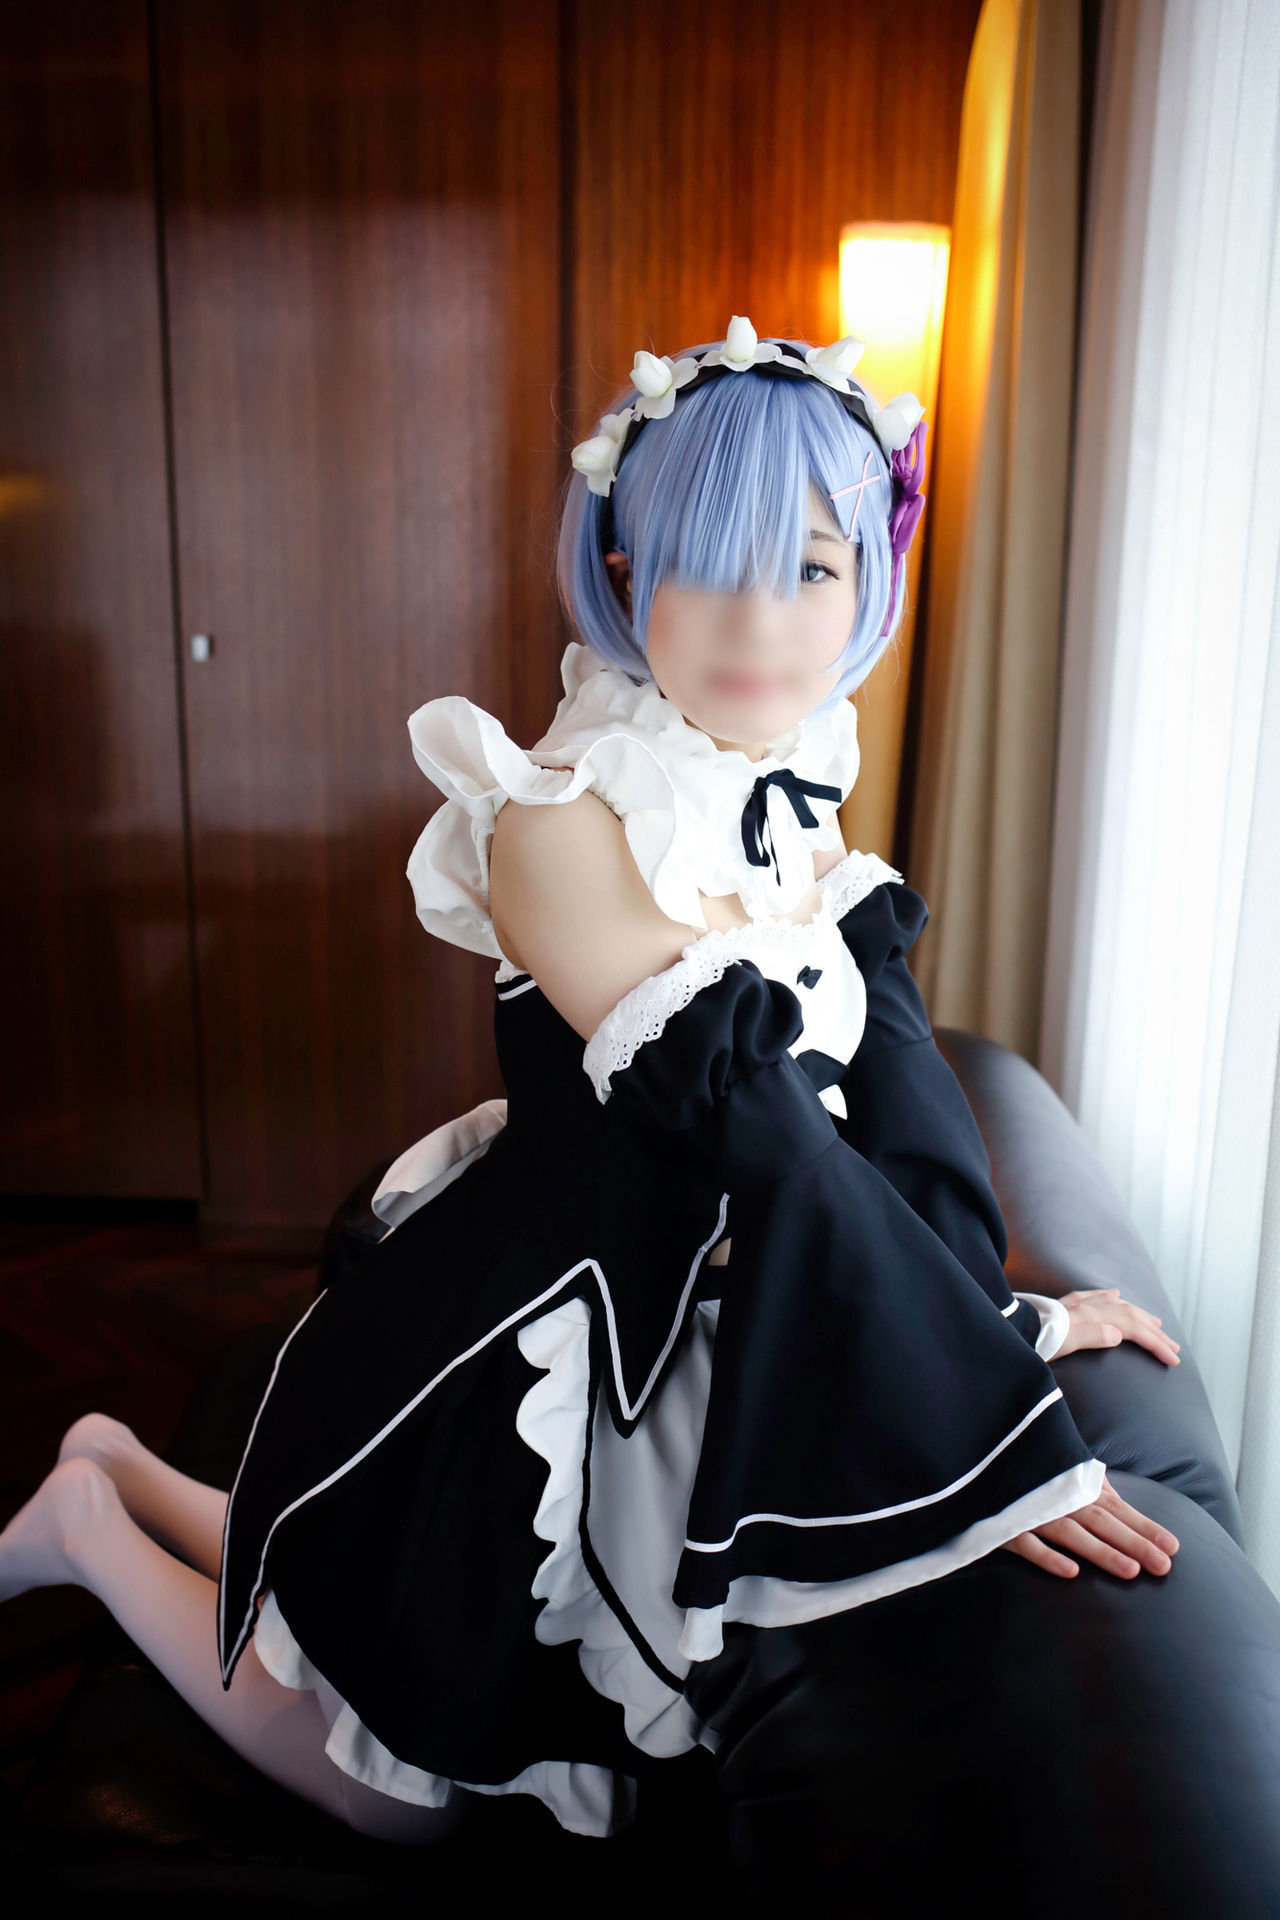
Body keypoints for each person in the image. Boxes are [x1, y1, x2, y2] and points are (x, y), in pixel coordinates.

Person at [0, 317, 1181, 1847]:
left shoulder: (791, 801)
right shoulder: (553, 814)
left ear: (868, 584)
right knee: (411, 1806)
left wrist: (1006, 1315)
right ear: (627, 569)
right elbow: (755, 1125)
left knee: (439, 1672)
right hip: (544, 1328)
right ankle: (90, 1531)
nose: (761, 622)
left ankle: (113, 1464)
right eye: (709, 565)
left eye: (811, 568)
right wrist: (995, 1437)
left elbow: (905, 1122)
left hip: (705, 1324)